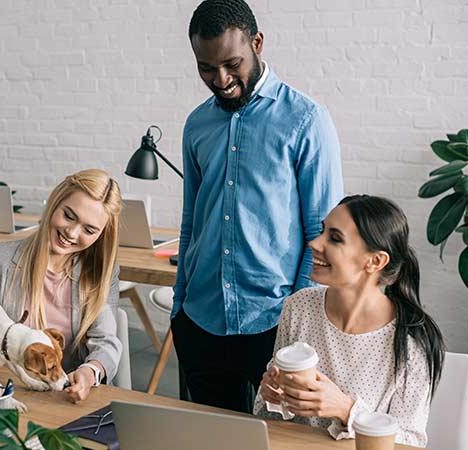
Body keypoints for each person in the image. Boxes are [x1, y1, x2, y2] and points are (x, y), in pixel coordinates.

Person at [172, 0, 344, 413]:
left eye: (232, 63)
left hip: (275, 324)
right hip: (200, 319)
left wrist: (299, 326)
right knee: (215, 441)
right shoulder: (197, 125)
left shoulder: (306, 120)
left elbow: (321, 235)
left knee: (286, 439)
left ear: (257, 43)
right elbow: (191, 221)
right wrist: (179, 305)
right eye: (206, 69)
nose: (222, 79)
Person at [255, 195, 445, 447]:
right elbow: (270, 417)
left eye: (334, 238)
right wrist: (272, 395)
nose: (314, 243)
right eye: (322, 231)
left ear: (375, 261)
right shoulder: (298, 306)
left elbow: (411, 442)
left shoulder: (412, 340)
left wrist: (346, 410)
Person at [0, 169, 122, 403]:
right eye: (68, 216)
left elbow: (106, 342)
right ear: (55, 203)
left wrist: (90, 373)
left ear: (101, 235)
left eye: (89, 230)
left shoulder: (100, 275)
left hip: (60, 399)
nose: (72, 233)